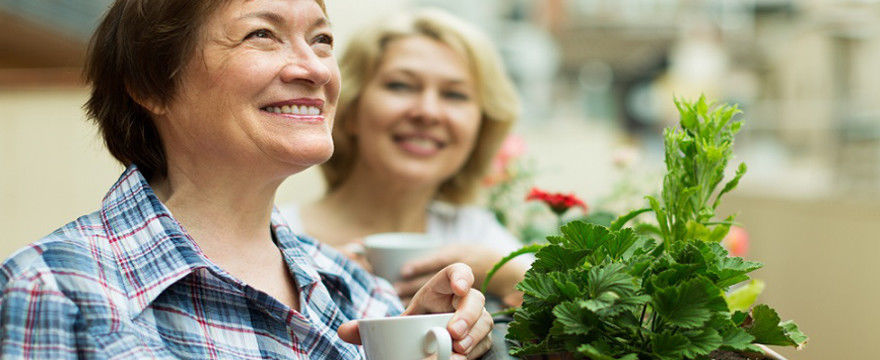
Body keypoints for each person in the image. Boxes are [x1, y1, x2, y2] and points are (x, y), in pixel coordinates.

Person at [0, 1, 493, 359]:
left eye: (322, 39)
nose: (316, 69)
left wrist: (410, 347)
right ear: (152, 83)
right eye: (263, 34)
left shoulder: (363, 297)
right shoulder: (52, 290)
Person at [280, 9, 530, 308]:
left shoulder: (476, 235)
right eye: (400, 85)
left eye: (455, 95)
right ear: (349, 110)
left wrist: (503, 274)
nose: (428, 111)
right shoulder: (280, 235)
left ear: (480, 127)